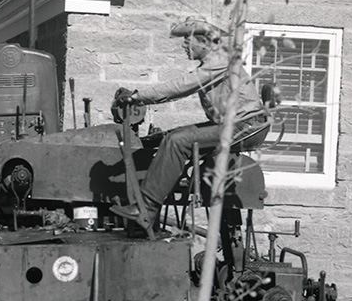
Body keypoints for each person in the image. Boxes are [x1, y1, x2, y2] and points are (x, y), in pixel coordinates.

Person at [110, 20, 266, 233]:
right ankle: (151, 197)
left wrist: (137, 97)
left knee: (178, 141)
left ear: (204, 42)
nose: (184, 45)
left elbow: (180, 87)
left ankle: (145, 208)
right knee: (172, 135)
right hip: (234, 124)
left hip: (247, 126)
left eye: (187, 39)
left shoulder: (221, 61)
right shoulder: (213, 65)